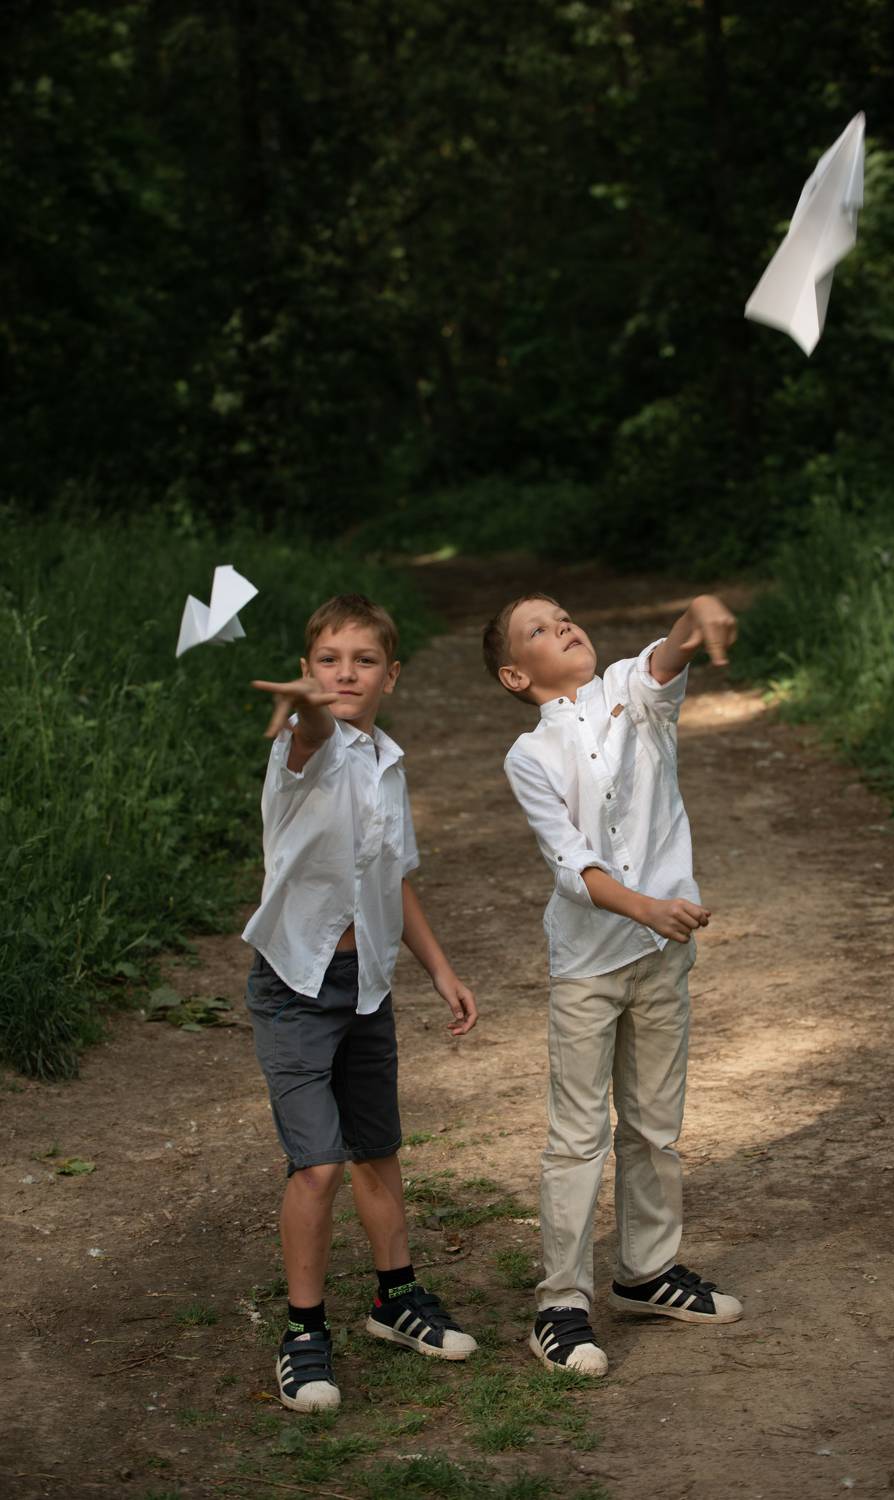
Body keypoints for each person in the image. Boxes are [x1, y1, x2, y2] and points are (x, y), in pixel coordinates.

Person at [482, 591, 743, 1376]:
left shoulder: (632, 690)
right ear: (514, 675)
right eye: (538, 629)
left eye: (563, 616)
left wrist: (699, 613)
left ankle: (647, 1272)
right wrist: (647, 908)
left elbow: (671, 652)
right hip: (589, 967)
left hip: (662, 957)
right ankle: (560, 1306)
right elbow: (573, 865)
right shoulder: (529, 757)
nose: (563, 626)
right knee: (577, 1135)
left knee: (655, 1124)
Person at [244, 593, 478, 1413]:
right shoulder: (302, 748)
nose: (345, 674)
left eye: (364, 661)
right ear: (307, 672)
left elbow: (394, 877)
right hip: (296, 988)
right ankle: (304, 1331)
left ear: (392, 676)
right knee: (317, 1165)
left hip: (368, 986)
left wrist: (439, 969)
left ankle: (396, 1298)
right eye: (328, 661)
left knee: (377, 1149)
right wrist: (304, 710)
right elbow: (313, 735)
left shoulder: (386, 762)